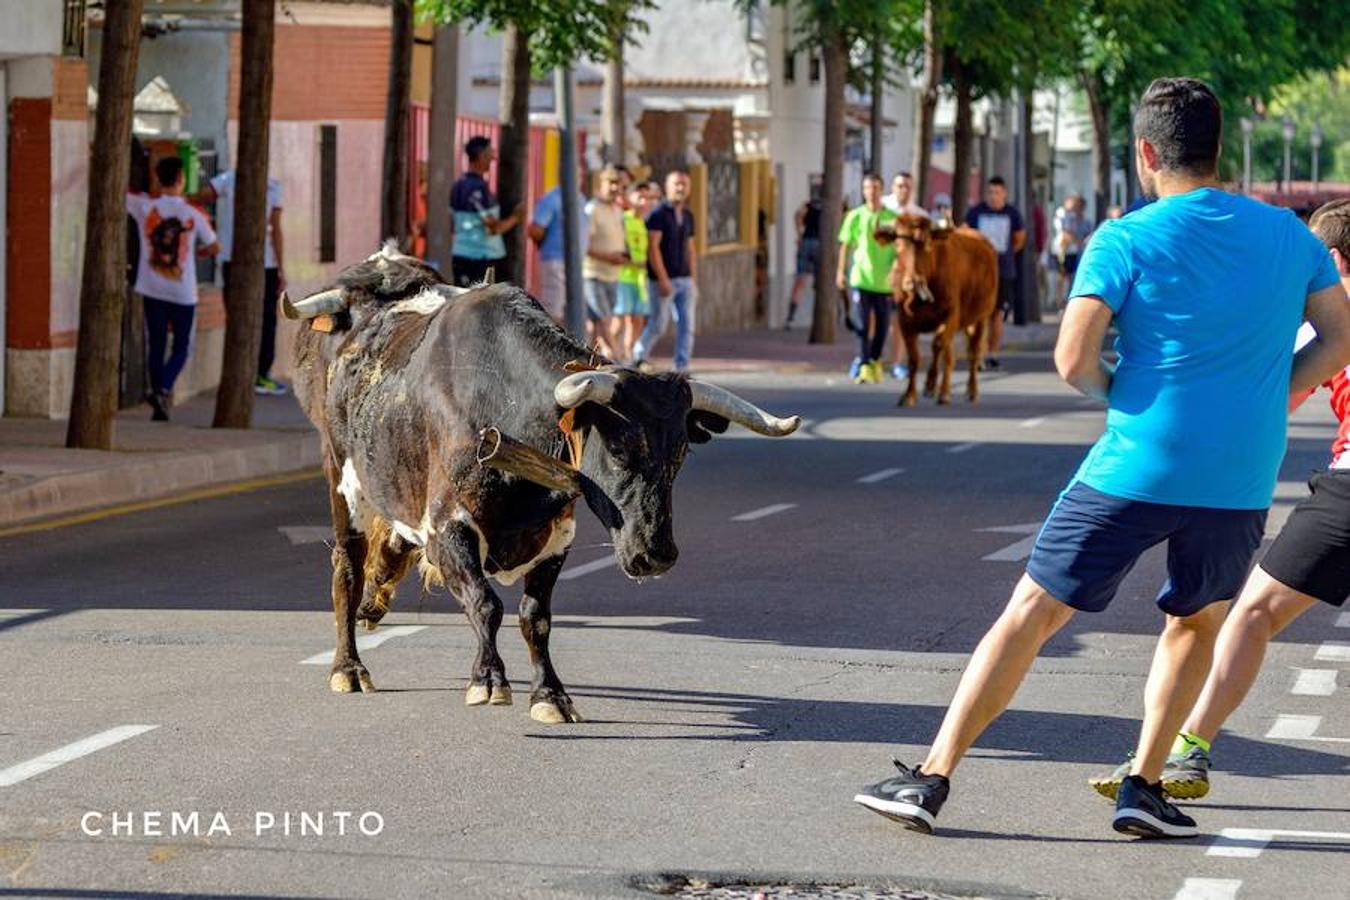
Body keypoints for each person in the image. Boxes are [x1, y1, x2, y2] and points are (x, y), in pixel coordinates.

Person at [852, 77, 1350, 839]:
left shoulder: (1124, 238)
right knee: (1196, 620)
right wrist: (1274, 394)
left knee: (1031, 613)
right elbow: (1339, 337)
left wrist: (1119, 391)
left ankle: (931, 777)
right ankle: (1144, 787)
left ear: (1147, 153)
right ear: (1216, 149)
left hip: (1136, 461)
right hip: (1241, 474)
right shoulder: (1289, 236)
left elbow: (1071, 356)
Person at [1088, 198, 1350, 808]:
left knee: (1252, 613)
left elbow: (1274, 399)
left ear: (1332, 261)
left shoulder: (1326, 315)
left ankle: (1189, 745)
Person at [126, 156, 221, 421]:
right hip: (183, 292)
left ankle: (159, 395)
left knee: (155, 345)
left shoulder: (145, 206)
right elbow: (214, 246)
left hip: (151, 287)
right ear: (181, 179)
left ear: (158, 178)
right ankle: (164, 388)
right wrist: (197, 253)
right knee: (182, 346)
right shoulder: (193, 213)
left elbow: (123, 196)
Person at [197, 166, 286, 396]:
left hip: (234, 260)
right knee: (265, 319)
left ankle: (251, 373)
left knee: (240, 315)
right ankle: (260, 375)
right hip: (263, 263)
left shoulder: (230, 179)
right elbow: (276, 229)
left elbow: (204, 196)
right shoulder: (271, 185)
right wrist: (281, 269)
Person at [633, 170, 699, 373]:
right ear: (667, 187)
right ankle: (638, 356)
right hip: (662, 279)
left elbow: (690, 248)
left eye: (684, 185)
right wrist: (662, 279)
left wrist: (693, 279)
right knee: (658, 324)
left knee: (687, 325)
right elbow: (653, 247)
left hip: (684, 279)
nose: (680, 188)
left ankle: (682, 366)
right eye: (676, 184)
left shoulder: (688, 215)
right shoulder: (658, 214)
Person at [836, 173, 897, 385]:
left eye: (875, 188)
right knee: (862, 325)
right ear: (864, 191)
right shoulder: (855, 216)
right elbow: (845, 244)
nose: (872, 192)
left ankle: (874, 360)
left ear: (882, 190)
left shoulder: (892, 218)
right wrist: (840, 272)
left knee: (882, 327)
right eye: (868, 188)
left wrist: (896, 270)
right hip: (861, 279)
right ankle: (863, 365)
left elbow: (899, 249)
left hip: (884, 282)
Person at [964, 176, 1025, 369]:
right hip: (978, 272)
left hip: (1003, 271)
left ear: (1004, 193)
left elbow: (1018, 239)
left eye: (997, 192)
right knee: (978, 313)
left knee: (997, 314)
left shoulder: (1012, 214)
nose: (993, 196)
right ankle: (978, 353)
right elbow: (966, 235)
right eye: (990, 192)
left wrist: (1002, 257)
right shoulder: (976, 213)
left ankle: (993, 352)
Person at [450, 136, 523, 287]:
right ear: (481, 156)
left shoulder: (458, 185)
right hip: (481, 259)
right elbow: (494, 227)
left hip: (460, 254)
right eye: (490, 154)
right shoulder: (478, 188)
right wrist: (516, 217)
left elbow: (452, 223)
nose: (493, 158)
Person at [884, 171, 931, 378]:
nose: (903, 189)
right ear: (893, 187)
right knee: (874, 321)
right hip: (879, 273)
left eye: (907, 186)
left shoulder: (919, 215)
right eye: (899, 185)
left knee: (899, 320)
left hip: (904, 277)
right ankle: (870, 359)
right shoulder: (882, 209)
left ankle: (897, 362)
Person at [582, 168, 628, 357]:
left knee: (594, 323)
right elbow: (584, 245)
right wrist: (608, 257)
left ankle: (588, 361)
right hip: (593, 273)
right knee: (604, 319)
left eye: (619, 184)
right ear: (600, 185)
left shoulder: (617, 210)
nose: (615, 188)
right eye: (611, 183)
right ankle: (616, 358)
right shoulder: (592, 209)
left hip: (613, 275)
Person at [527, 183, 586, 322]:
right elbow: (535, 229)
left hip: (575, 263)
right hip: (555, 260)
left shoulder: (580, 198)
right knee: (553, 308)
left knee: (571, 309)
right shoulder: (552, 199)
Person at [615, 181, 655, 363]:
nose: (644, 202)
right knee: (621, 319)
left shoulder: (642, 223)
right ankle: (614, 353)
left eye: (647, 198)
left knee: (638, 319)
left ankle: (629, 355)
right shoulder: (624, 219)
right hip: (623, 276)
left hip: (640, 278)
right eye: (640, 197)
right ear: (629, 198)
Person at [786, 193, 823, 331]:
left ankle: (790, 317)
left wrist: (800, 233)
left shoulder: (809, 204)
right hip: (820, 244)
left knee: (800, 281)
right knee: (822, 283)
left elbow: (798, 215)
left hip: (806, 242)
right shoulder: (830, 205)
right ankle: (824, 315)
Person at [1052, 194, 1092, 309]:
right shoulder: (1063, 214)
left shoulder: (1084, 221)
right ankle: (1061, 303)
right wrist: (1076, 240)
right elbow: (1065, 233)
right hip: (1064, 250)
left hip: (1076, 252)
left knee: (1072, 277)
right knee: (1063, 276)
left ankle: (1069, 301)